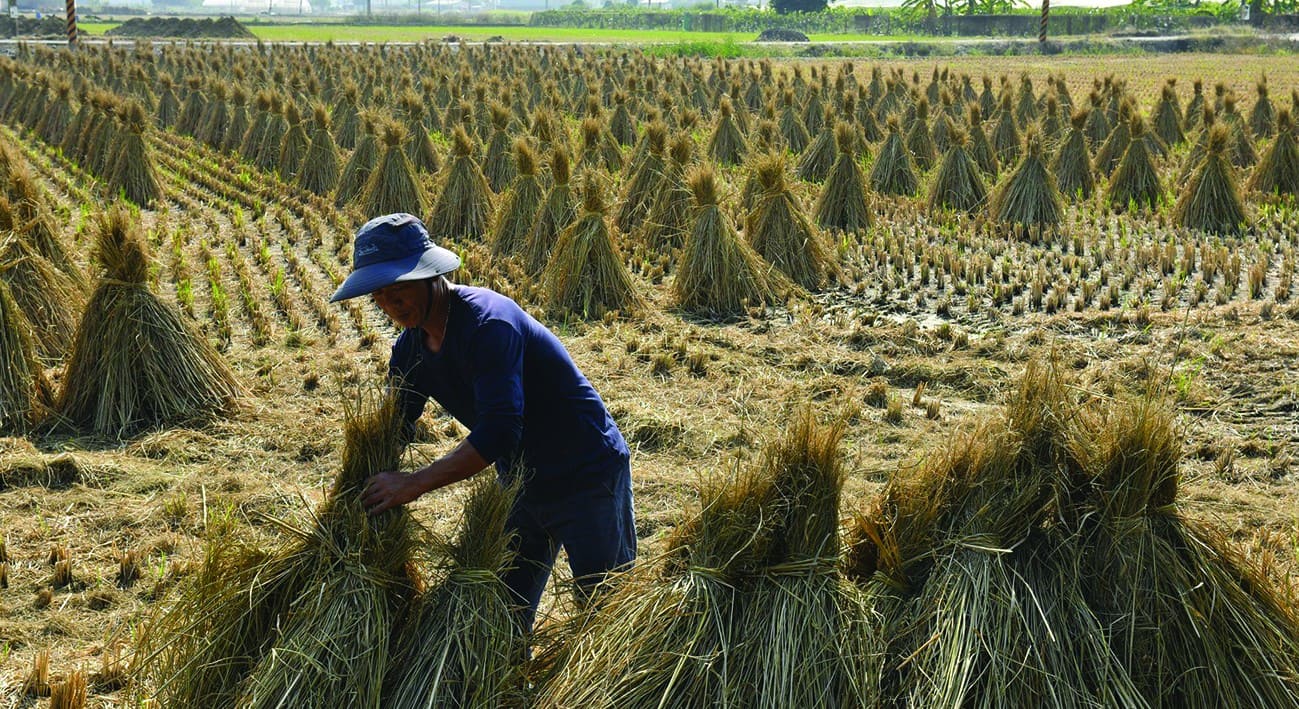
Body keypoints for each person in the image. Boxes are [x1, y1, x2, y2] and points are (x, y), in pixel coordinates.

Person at [329, 213, 636, 633]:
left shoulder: (489, 324)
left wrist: (413, 483)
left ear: (430, 275)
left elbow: (499, 430)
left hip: (586, 472)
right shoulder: (410, 349)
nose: (389, 304)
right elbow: (395, 427)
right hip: (521, 480)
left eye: (398, 289)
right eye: (378, 294)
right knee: (501, 611)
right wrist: (353, 495)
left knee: (606, 608)